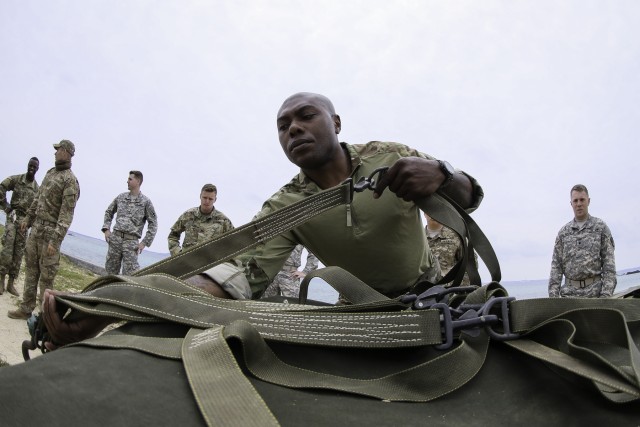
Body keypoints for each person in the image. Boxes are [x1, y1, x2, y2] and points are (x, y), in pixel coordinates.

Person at [42, 92, 483, 345]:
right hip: (363, 314)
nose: (293, 128)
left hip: (437, 296)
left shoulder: (391, 156)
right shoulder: (287, 206)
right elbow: (232, 278)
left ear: (336, 122)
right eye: (283, 124)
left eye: (306, 116)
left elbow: (471, 197)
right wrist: (110, 308)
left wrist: (443, 173)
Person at [7, 140, 79, 319]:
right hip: (36, 229)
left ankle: (44, 317)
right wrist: (28, 219)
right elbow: (37, 199)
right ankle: (25, 309)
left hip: (50, 234)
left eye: (58, 150)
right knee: (31, 270)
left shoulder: (70, 180)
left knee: (47, 277)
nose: (55, 153)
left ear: (66, 152)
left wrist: (55, 240)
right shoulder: (50, 173)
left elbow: (66, 214)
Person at [548, 184, 616, 298]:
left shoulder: (600, 228)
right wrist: (553, 298)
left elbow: (609, 266)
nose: (579, 204)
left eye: (582, 200)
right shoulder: (563, 234)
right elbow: (556, 267)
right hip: (569, 296)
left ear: (588, 201)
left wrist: (606, 296)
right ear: (571, 204)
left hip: (595, 295)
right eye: (575, 201)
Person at [102, 171, 158, 275]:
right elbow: (109, 212)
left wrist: (144, 243)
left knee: (130, 275)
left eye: (130, 179)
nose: (127, 181)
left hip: (131, 243)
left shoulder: (146, 202)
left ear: (138, 181)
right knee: (110, 272)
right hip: (115, 240)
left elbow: (153, 224)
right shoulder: (121, 197)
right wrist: (106, 229)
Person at [0, 157, 40, 296]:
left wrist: (30, 223)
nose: (32, 168)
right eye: (30, 165)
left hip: (25, 223)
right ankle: (1, 280)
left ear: (37, 169)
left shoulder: (37, 190)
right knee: (8, 248)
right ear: (27, 165)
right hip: (13, 216)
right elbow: (2, 187)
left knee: (18, 253)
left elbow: (38, 209)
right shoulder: (17, 180)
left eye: (34, 167)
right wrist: (6, 207)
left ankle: (11, 283)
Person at [168, 184, 234, 256]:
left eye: (210, 199)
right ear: (200, 196)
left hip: (210, 264)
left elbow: (235, 241)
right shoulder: (188, 215)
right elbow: (173, 235)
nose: (207, 201)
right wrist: (177, 254)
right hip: (187, 262)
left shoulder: (223, 221)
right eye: (204, 197)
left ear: (215, 199)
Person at [424, 213, 474, 286]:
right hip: (422, 291)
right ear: (425, 214)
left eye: (438, 210)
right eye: (430, 210)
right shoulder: (417, 238)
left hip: (450, 291)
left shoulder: (457, 236)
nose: (434, 214)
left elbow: (470, 266)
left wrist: (459, 290)